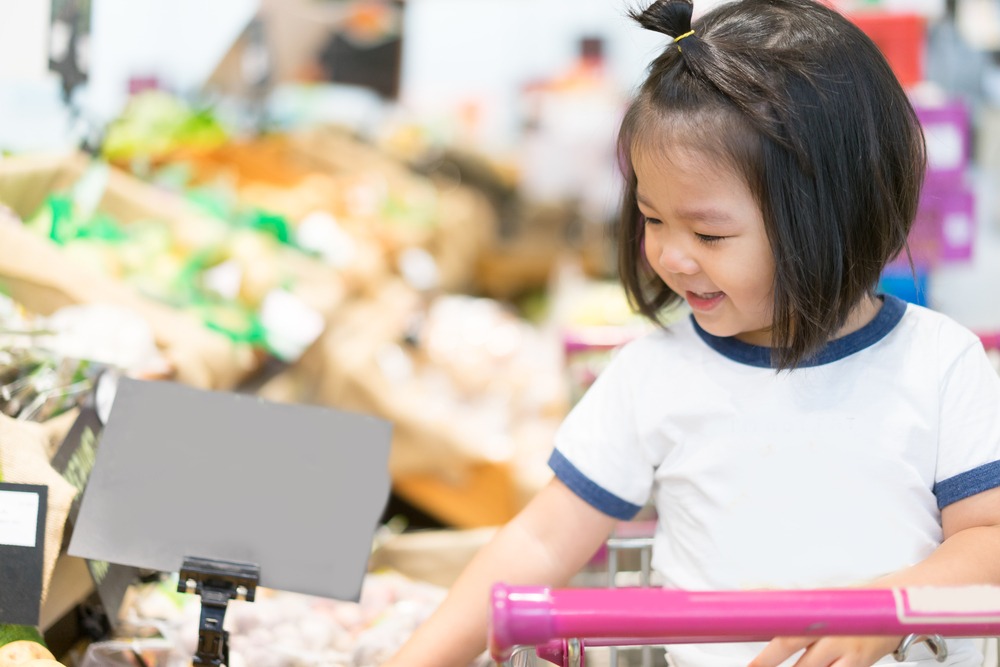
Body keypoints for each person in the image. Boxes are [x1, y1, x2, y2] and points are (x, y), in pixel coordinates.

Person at [382, 0, 1000, 665]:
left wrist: (890, 608)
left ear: (836, 214)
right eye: (652, 218)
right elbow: (540, 540)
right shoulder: (654, 374)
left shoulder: (939, 363)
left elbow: (989, 536)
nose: (672, 256)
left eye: (709, 233)